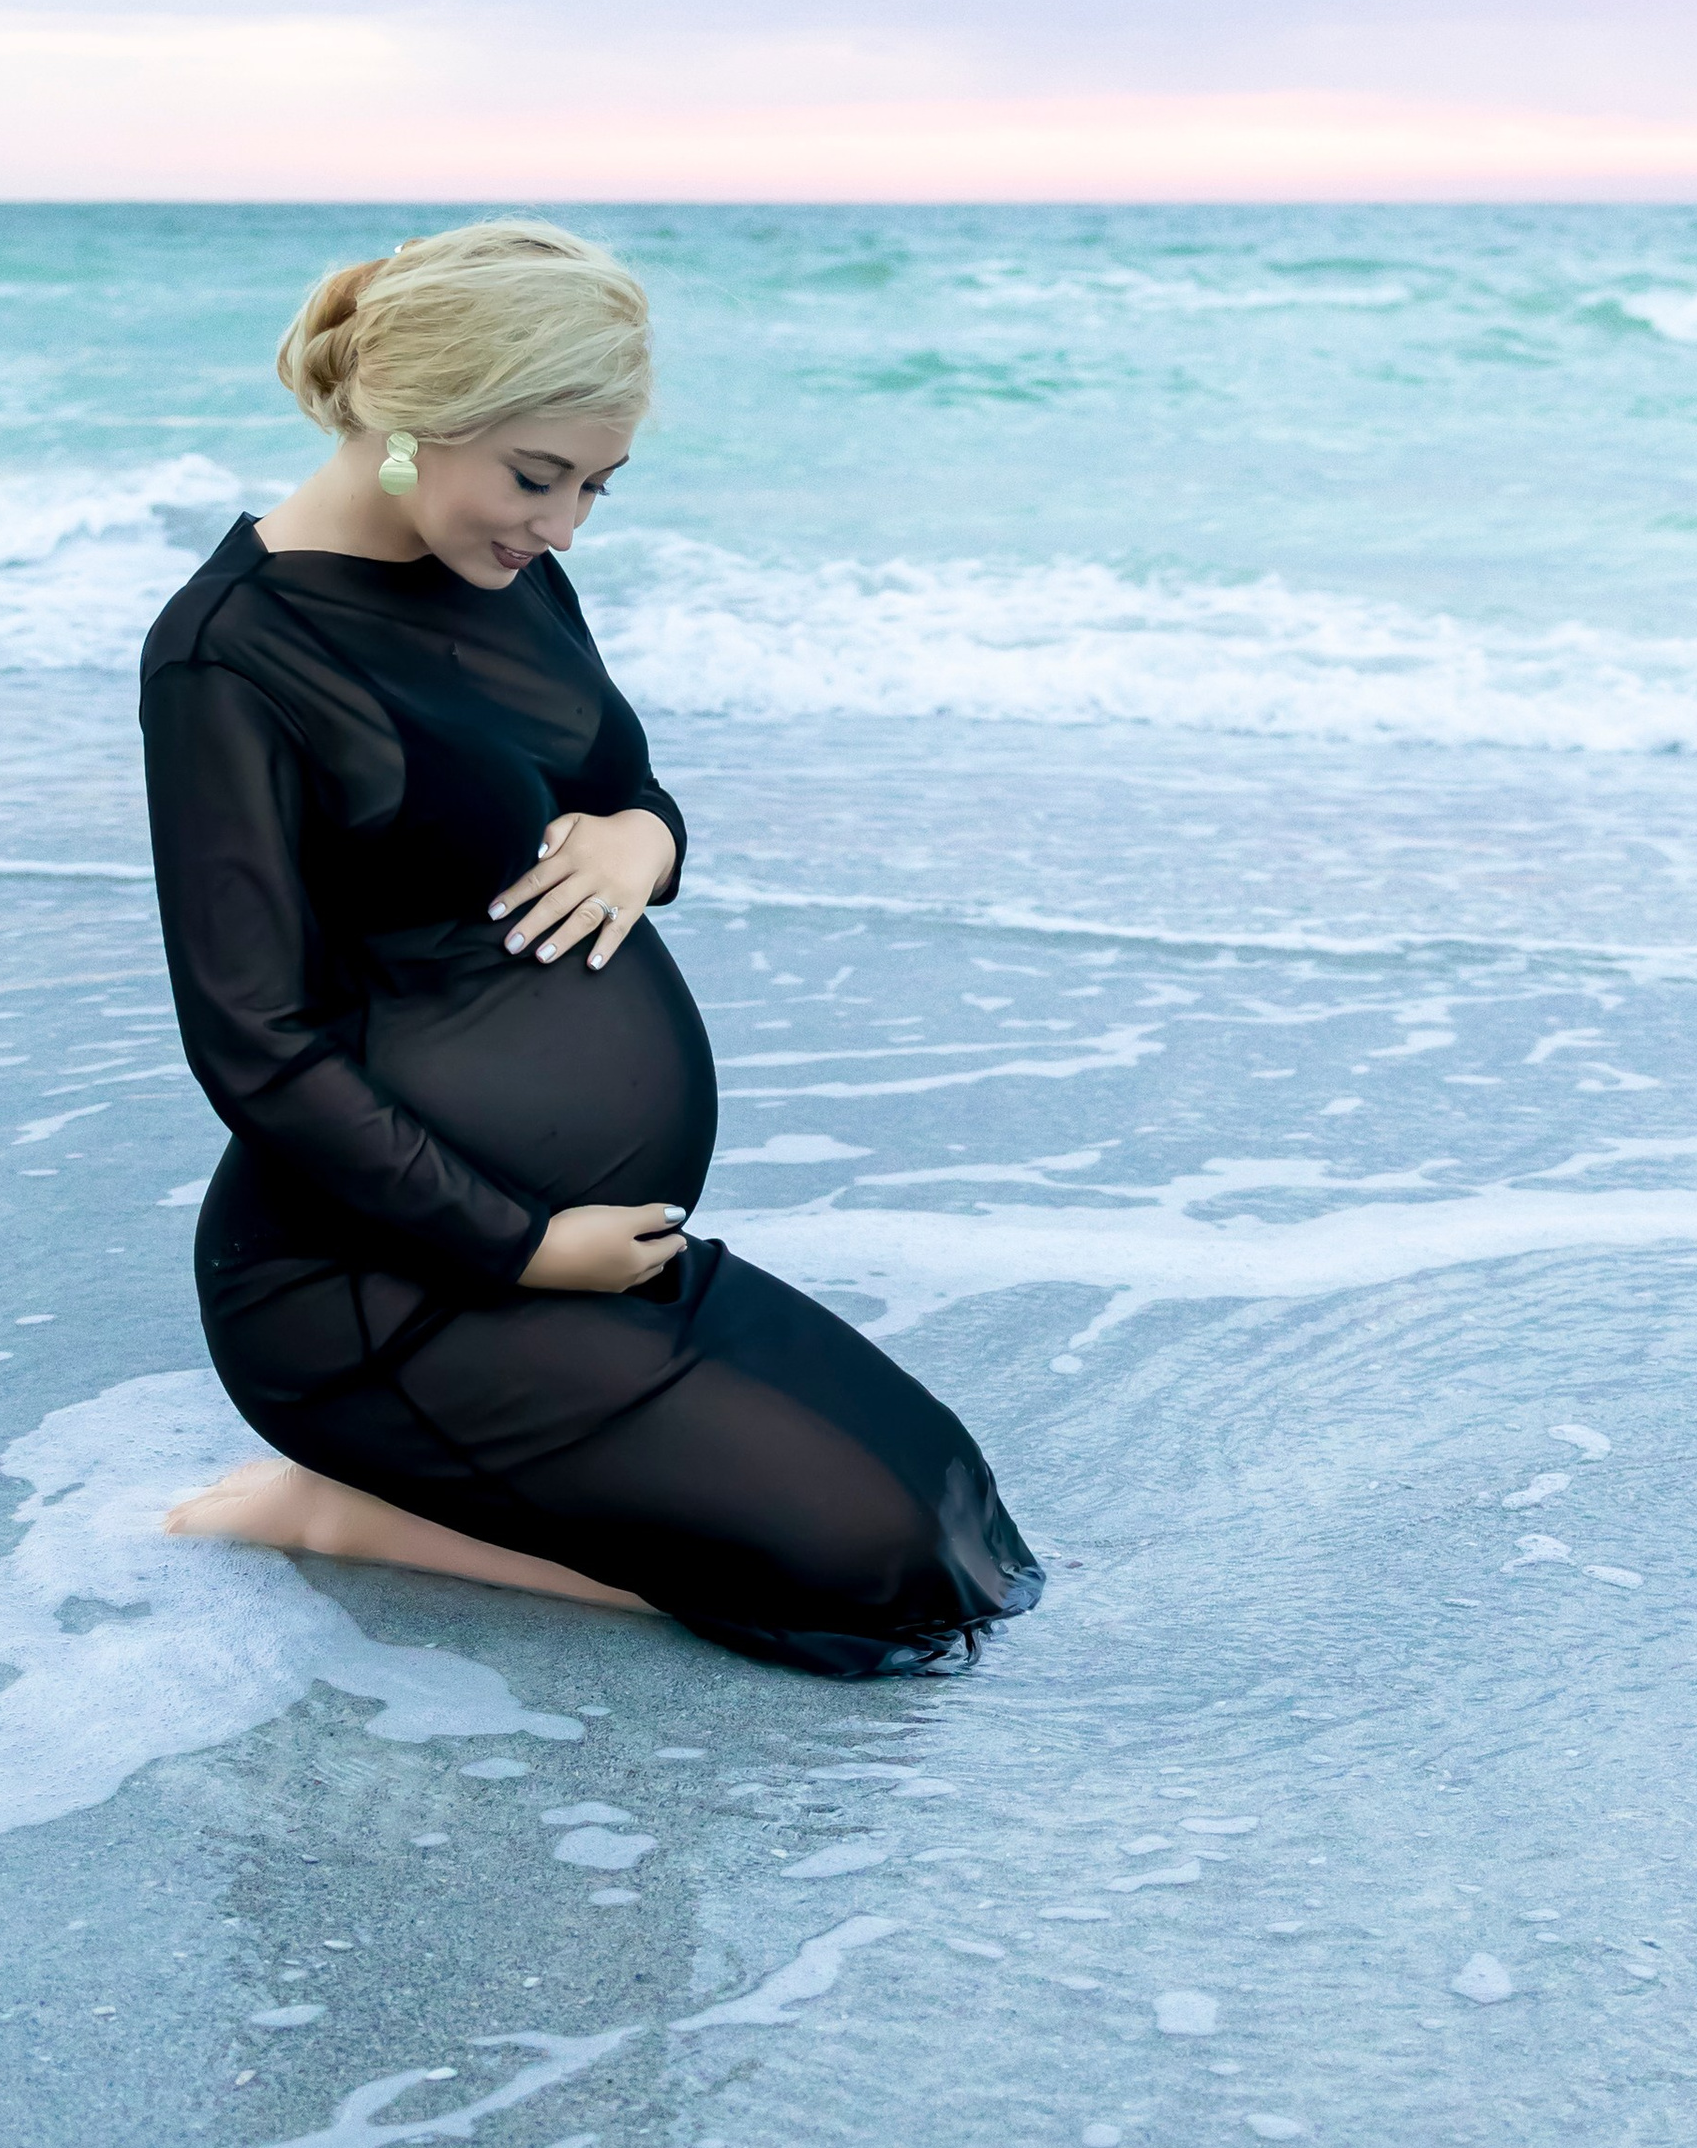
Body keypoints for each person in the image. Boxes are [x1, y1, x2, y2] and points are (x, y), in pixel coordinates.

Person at [141, 217, 1041, 1678]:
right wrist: (525, 1244)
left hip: (573, 1265)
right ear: (418, 417)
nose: (563, 528)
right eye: (537, 476)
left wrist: (645, 843)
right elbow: (255, 1042)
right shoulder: (228, 652)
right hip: (366, 1289)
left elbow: (624, 786)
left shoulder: (507, 574)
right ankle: (341, 1511)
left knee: (955, 1514)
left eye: (595, 487)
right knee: (886, 1588)